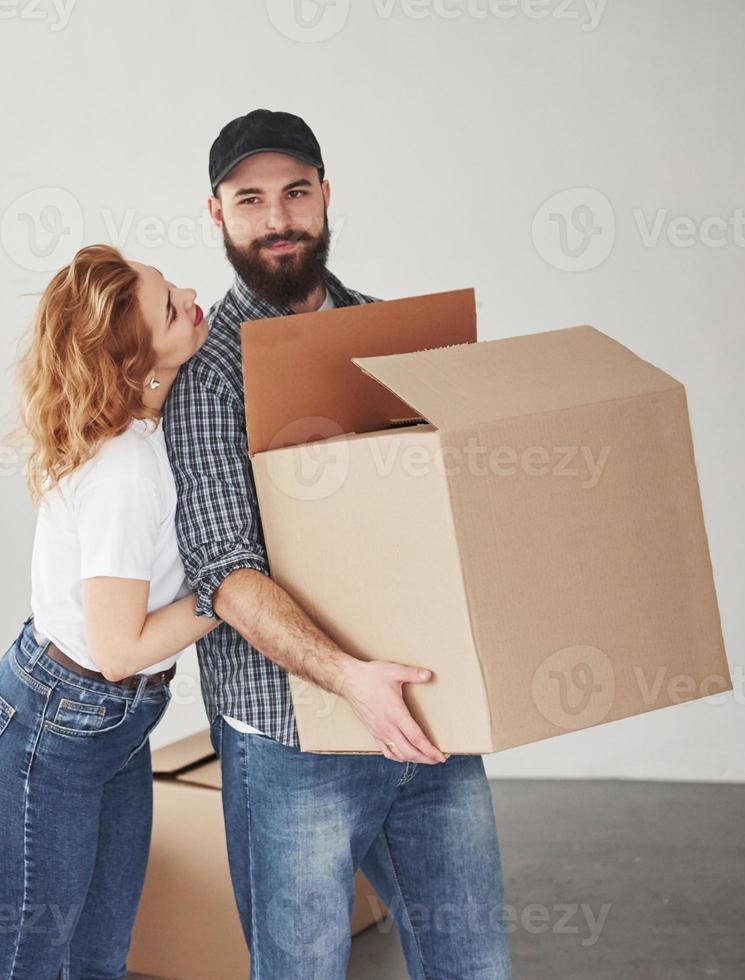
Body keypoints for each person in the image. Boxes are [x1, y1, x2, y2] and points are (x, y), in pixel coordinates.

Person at [162, 109, 514, 979]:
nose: (277, 218)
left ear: (325, 196)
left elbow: (450, 516)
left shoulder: (397, 341)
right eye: (250, 200)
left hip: (428, 710)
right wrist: (352, 679)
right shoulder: (205, 372)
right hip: (294, 736)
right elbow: (224, 571)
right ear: (216, 213)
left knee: (473, 964)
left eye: (294, 192)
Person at [0, 244, 217, 979]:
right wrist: (235, 586)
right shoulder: (124, 469)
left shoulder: (139, 429)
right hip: (49, 735)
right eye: (171, 305)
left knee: (98, 960)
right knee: (18, 967)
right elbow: (118, 649)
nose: (192, 295)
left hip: (105, 727)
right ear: (135, 362)